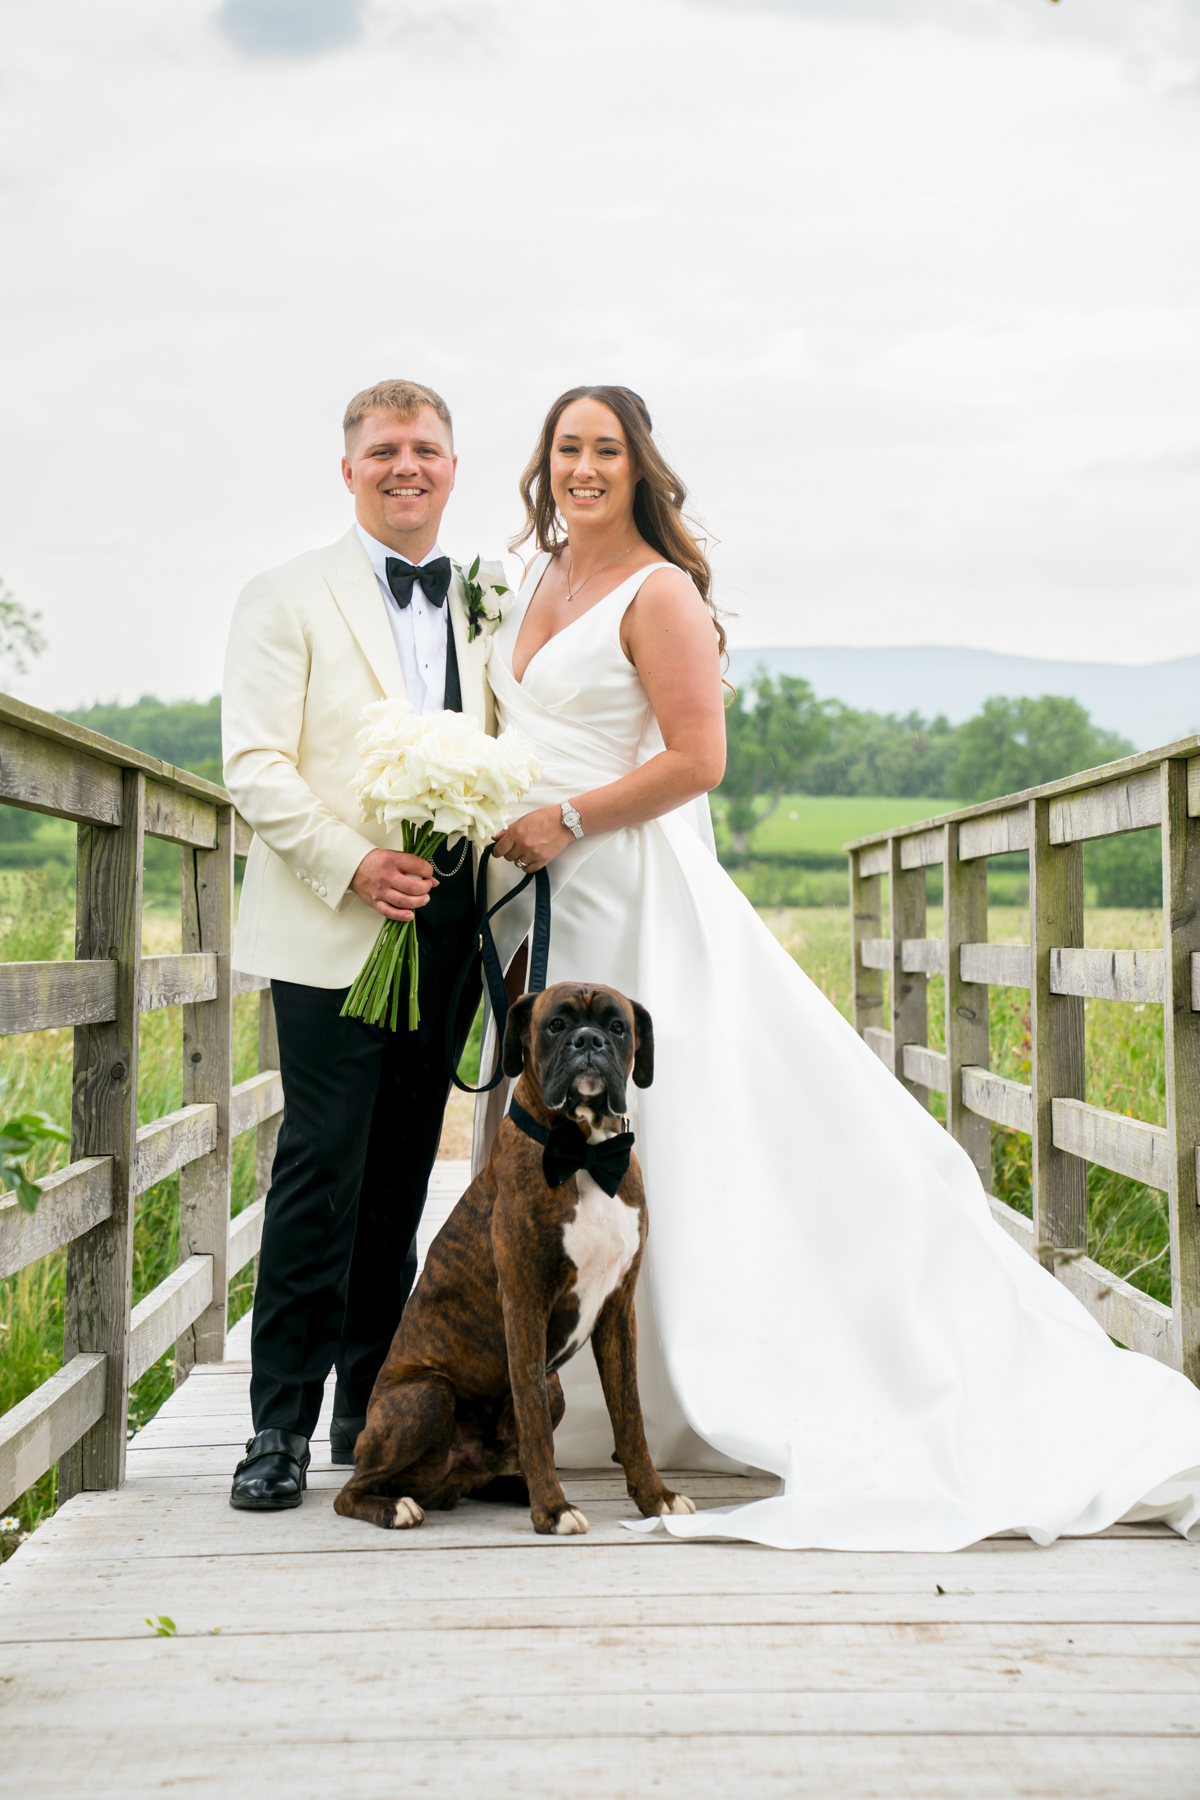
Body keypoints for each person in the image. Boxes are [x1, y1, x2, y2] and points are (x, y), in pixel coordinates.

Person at [476, 383, 1200, 1549]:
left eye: (607, 449)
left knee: (685, 1127)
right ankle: (561, 1382)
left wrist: (566, 814)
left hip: (624, 885)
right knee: (547, 1131)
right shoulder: (526, 581)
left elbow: (699, 758)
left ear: (643, 465)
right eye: (567, 448)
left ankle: (692, 1378)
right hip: (540, 902)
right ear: (543, 463)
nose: (584, 468)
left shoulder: (658, 593)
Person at [221, 379, 492, 1510]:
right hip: (331, 929)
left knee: (399, 1177)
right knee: (321, 1169)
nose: (406, 467)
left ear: (451, 466)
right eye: (384, 450)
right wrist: (353, 862)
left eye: (426, 449)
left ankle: (367, 1409)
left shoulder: (492, 604)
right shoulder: (285, 596)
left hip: (451, 934)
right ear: (349, 470)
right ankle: (275, 1425)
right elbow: (254, 766)